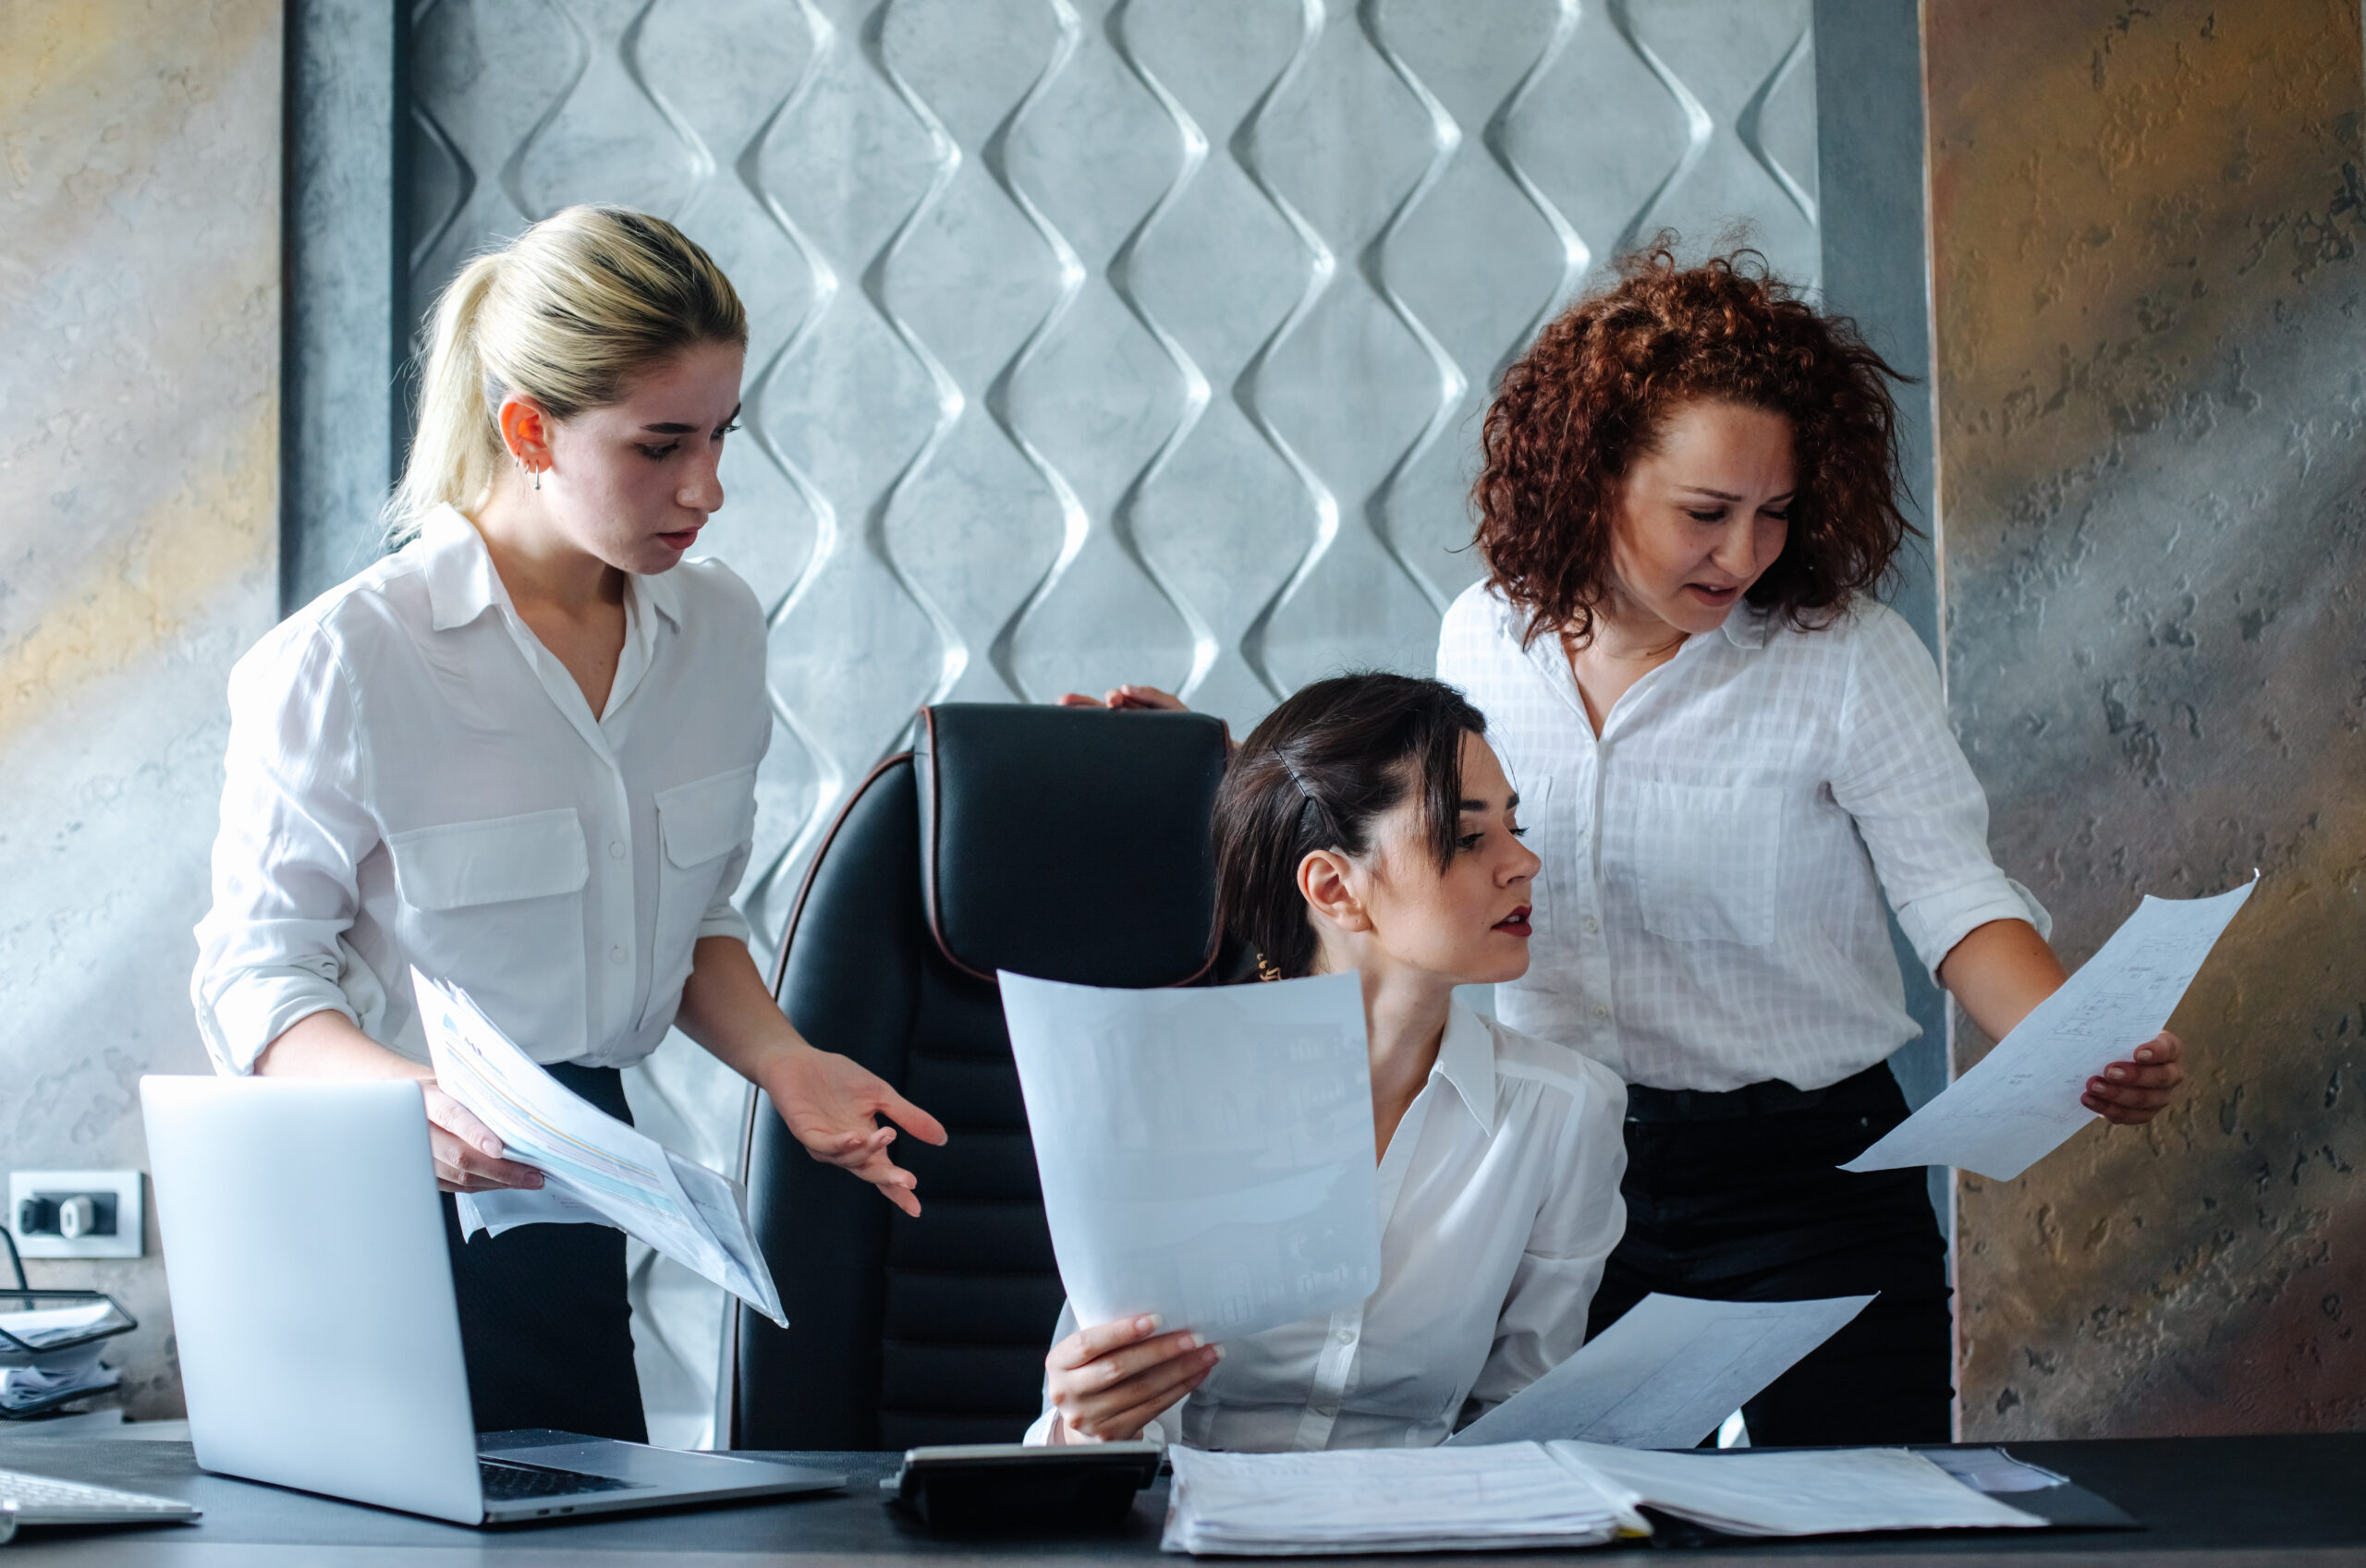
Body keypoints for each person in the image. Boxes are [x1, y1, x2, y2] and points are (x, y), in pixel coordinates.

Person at [191, 205, 945, 1443]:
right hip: (375, 1195)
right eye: (659, 445)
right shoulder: (346, 658)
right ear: (529, 429)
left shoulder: (718, 632)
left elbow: (688, 913)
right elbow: (252, 978)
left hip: (571, 1177)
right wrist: (407, 1106)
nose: (706, 487)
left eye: (719, 436)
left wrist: (785, 1060)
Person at [1431, 246, 2187, 1444]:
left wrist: (2076, 1042)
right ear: (1591, 476)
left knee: (1866, 1525)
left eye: (1775, 513)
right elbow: (1401, 866)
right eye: (1705, 515)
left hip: (1809, 1175)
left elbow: (1953, 894)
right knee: (1559, 1526)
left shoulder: (1845, 655)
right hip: (1555, 1167)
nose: (1745, 557)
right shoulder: (1481, 638)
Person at [1027, 674, 1627, 1449]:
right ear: (1333, 886)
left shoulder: (1566, 1111)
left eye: (1516, 825)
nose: (1524, 863)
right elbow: (1102, 1428)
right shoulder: (1167, 1093)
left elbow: (1520, 1428)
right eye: (1469, 836)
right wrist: (1092, 1421)